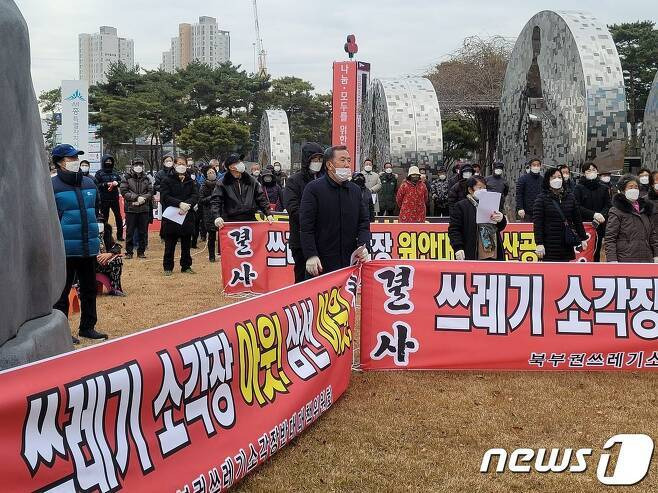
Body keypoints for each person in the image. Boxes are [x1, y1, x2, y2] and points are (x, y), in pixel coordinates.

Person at [51, 144, 108, 342]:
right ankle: (62, 332)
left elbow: (96, 211)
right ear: (59, 162)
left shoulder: (90, 184)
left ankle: (87, 327)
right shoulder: (52, 186)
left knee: (89, 289)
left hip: (88, 246)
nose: (75, 161)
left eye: (76, 157)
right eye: (71, 158)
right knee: (62, 292)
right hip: (65, 249)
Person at [299, 145, 370, 277]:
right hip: (321, 263)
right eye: (342, 160)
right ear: (329, 165)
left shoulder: (354, 190)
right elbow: (306, 227)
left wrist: (364, 245)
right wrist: (311, 255)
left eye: (349, 160)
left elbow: (364, 222)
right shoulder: (314, 189)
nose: (347, 164)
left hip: (348, 264)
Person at [283, 143, 324, 283]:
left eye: (320, 159)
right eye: (314, 159)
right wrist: (313, 219)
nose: (317, 163)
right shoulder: (294, 181)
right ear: (306, 160)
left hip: (323, 238)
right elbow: (292, 208)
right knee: (302, 277)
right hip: (300, 238)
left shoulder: (326, 179)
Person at [532, 167, 587, 262]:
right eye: (553, 177)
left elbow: (577, 219)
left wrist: (583, 238)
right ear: (547, 181)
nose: (557, 179)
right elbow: (538, 223)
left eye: (559, 177)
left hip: (566, 243)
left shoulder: (570, 197)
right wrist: (539, 243)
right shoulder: (541, 199)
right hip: (549, 244)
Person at [448, 176, 507, 260]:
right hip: (472, 250)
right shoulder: (461, 206)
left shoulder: (491, 202)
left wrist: (501, 219)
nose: (483, 191)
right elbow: (454, 229)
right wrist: (458, 247)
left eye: (484, 188)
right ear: (470, 190)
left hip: (492, 250)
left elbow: (499, 227)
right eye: (480, 188)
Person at [210, 153, 273, 231]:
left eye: (241, 162)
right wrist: (217, 216)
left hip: (250, 220)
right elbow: (216, 201)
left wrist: (268, 213)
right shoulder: (222, 183)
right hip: (230, 222)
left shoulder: (252, 181)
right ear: (231, 167)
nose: (241, 164)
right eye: (238, 162)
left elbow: (261, 198)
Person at [605, 175, 658, 263]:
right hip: (625, 259)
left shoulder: (645, 209)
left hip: (646, 258)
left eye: (636, 187)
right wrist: (612, 260)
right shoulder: (616, 211)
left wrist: (656, 254)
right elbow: (610, 238)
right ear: (623, 190)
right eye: (630, 187)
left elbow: (653, 235)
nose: (634, 189)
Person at [160, 159, 199, 275]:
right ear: (174, 165)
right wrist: (179, 204)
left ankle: (186, 266)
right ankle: (168, 267)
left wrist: (187, 205)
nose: (181, 166)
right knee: (170, 243)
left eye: (183, 164)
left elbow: (195, 195)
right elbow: (165, 197)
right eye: (179, 164)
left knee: (186, 243)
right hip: (172, 215)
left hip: (187, 214)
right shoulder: (167, 180)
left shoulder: (190, 181)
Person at [573, 162, 611, 262]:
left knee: (597, 250)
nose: (592, 172)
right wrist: (593, 214)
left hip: (599, 224)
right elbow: (576, 206)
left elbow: (608, 205)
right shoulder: (578, 188)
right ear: (583, 173)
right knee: (583, 251)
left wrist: (601, 215)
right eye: (588, 170)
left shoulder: (603, 188)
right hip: (583, 225)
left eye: (594, 170)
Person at [119, 158, 153, 259]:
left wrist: (144, 198)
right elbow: (124, 191)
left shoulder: (147, 178)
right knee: (130, 231)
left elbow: (151, 191)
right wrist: (136, 197)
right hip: (131, 209)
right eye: (136, 165)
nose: (138, 167)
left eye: (140, 165)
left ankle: (141, 252)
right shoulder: (126, 177)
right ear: (132, 166)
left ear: (143, 166)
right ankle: (129, 252)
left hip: (144, 208)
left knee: (143, 231)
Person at [95, 154, 124, 240]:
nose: (108, 162)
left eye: (110, 161)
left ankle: (120, 236)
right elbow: (97, 184)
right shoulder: (99, 173)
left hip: (114, 198)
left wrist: (117, 183)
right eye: (107, 161)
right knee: (105, 218)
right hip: (104, 199)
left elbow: (121, 182)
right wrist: (105, 184)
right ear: (103, 162)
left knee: (118, 217)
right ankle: (105, 236)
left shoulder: (115, 173)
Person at [95, 223, 125, 296]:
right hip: (88, 262)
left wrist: (110, 254)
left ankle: (115, 287)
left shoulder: (106, 234)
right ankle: (79, 287)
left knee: (117, 259)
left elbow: (116, 247)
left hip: (104, 263)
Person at [199, 165, 219, 262]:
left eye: (213, 172)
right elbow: (201, 200)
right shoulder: (203, 186)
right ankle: (212, 255)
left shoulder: (220, 184)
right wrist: (212, 197)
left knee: (222, 234)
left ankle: (221, 252)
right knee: (211, 235)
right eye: (209, 173)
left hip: (220, 211)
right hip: (209, 212)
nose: (212, 174)